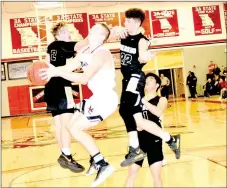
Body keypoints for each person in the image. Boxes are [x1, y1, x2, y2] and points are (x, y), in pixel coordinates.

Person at [40, 23, 117, 187]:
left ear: (102, 37)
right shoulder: (84, 51)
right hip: (95, 99)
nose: (90, 29)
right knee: (70, 126)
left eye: (95, 29)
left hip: (105, 99)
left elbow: (83, 79)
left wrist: (57, 71)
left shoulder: (102, 53)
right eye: (91, 28)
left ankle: (102, 163)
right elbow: (68, 67)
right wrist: (50, 70)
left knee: (75, 128)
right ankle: (95, 160)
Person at [109, 8, 180, 167]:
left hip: (136, 77)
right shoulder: (124, 34)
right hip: (127, 78)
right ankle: (170, 139)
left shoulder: (141, 40)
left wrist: (145, 56)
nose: (125, 23)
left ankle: (135, 148)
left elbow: (142, 54)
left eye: (127, 21)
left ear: (135, 23)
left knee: (124, 109)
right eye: (125, 21)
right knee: (137, 119)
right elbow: (108, 33)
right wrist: (115, 29)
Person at [44, 21, 88, 172]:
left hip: (50, 87)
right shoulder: (62, 44)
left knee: (58, 125)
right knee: (66, 125)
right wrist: (97, 37)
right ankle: (67, 155)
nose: (67, 34)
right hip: (62, 86)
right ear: (57, 36)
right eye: (63, 32)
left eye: (67, 31)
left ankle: (62, 153)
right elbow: (82, 44)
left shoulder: (51, 47)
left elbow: (47, 63)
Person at [125, 73, 166, 187]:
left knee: (156, 175)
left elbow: (158, 112)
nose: (147, 80)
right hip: (139, 140)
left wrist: (143, 101)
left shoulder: (161, 99)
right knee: (132, 174)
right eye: (146, 79)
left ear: (157, 85)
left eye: (151, 79)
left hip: (154, 139)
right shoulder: (136, 99)